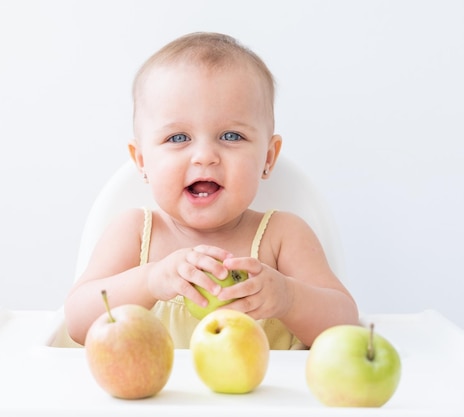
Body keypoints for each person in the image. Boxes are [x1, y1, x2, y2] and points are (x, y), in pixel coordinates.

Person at [64, 32, 358, 349]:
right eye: (178, 138)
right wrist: (150, 280)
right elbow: (77, 323)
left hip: (266, 397)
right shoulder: (135, 233)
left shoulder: (283, 236)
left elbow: (345, 326)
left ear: (268, 158)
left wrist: (288, 298)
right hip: (156, 396)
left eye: (231, 136)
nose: (205, 156)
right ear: (142, 161)